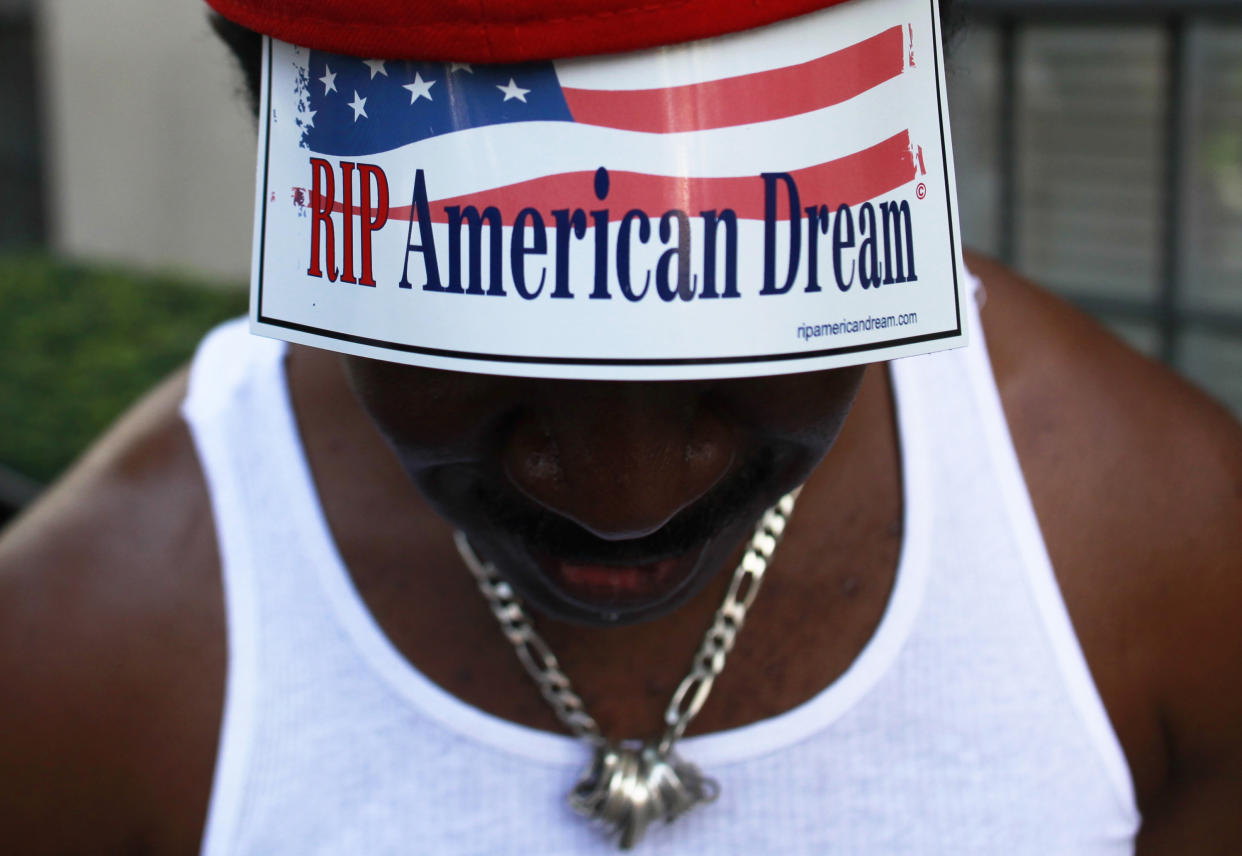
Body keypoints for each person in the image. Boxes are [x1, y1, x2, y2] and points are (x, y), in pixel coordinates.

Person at [2, 0, 1241, 852]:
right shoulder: (81, 666)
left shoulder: (1174, 559)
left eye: (750, 284)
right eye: (471, 316)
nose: (623, 492)